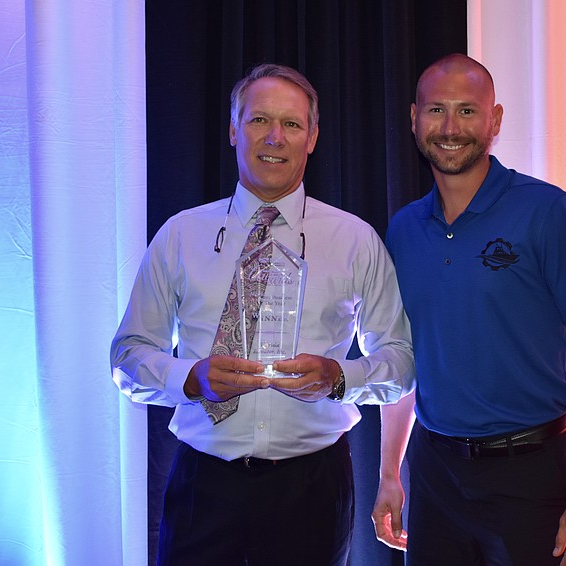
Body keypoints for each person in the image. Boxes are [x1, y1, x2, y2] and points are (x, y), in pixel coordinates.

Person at [111, 63, 414, 566]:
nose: (275, 136)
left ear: (312, 137)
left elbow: (400, 362)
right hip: (202, 485)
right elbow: (127, 357)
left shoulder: (355, 240)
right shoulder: (180, 235)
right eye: (258, 120)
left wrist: (340, 377)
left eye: (292, 124)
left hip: (312, 488)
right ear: (234, 128)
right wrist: (190, 378)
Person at [371, 54, 566, 566]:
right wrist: (389, 475)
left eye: (467, 111)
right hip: (435, 473)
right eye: (436, 110)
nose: (449, 128)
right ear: (413, 119)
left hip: (533, 472)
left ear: (496, 120)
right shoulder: (402, 229)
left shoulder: (546, 211)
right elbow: (402, 361)